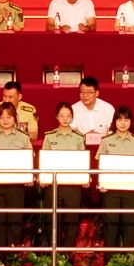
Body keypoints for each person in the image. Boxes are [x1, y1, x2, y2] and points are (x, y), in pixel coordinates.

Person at [0, 103, 35, 261]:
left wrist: (29, 177)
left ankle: (13, 256)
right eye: (2, 117)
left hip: (16, 186)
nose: (5, 120)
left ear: (15, 118)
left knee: (15, 220)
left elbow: (29, 160)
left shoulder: (23, 137)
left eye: (9, 117)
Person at [97, 106, 134, 251]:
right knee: (110, 224)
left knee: (130, 224)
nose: (123, 123)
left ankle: (130, 260)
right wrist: (101, 183)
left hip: (131, 189)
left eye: (126, 120)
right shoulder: (106, 141)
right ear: (114, 122)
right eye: (119, 120)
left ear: (131, 122)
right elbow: (100, 164)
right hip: (111, 189)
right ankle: (109, 260)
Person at [39, 102, 87, 252]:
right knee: (52, 220)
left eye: (68, 116)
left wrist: (85, 178)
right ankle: (54, 254)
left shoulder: (79, 137)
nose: (65, 119)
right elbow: (44, 160)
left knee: (72, 220)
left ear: (72, 117)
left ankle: (67, 255)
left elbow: (83, 161)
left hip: (72, 185)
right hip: (53, 185)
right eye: (62, 116)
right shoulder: (49, 136)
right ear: (56, 117)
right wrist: (43, 178)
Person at [69, 75, 113, 144]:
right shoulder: (73, 109)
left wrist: (99, 137)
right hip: (81, 145)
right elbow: (72, 132)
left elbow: (112, 132)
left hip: (104, 145)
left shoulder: (108, 108)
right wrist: (85, 137)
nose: (85, 95)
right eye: (82, 92)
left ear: (97, 93)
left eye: (89, 92)